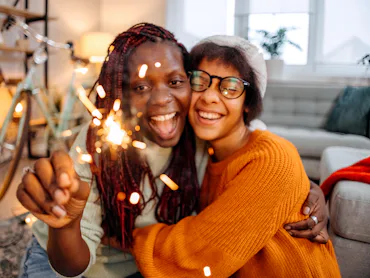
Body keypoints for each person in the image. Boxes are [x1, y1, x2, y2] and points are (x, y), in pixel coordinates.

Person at [17, 24, 328, 278]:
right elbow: (73, 265)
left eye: (176, 81)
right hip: (71, 257)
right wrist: (67, 224)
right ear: (120, 95)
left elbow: (257, 152)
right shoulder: (99, 143)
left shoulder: (198, 134)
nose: (162, 99)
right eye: (140, 87)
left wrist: (304, 187)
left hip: (151, 263)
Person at [129, 35, 341, 277]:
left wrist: (123, 237)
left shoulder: (272, 157)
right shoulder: (201, 156)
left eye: (230, 87)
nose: (209, 96)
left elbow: (195, 253)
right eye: (199, 81)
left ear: (248, 103)